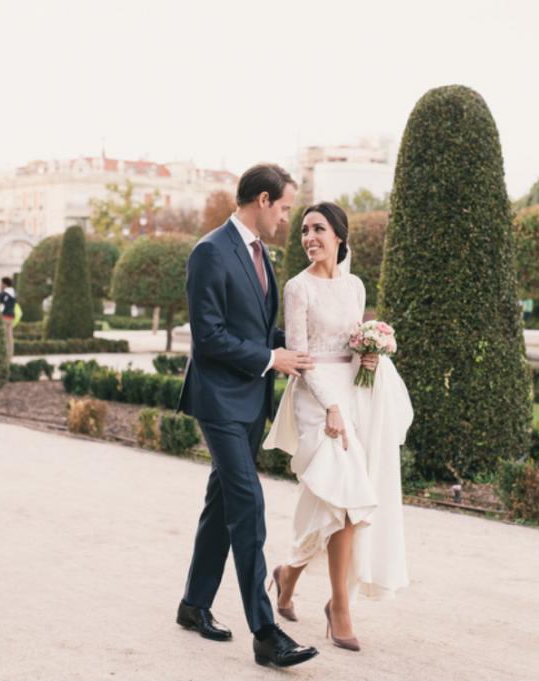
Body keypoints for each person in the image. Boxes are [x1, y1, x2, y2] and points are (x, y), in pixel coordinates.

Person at [176, 164, 319, 668]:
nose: (286, 219)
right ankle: (265, 632)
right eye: (284, 208)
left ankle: (193, 604)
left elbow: (259, 331)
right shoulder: (210, 252)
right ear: (262, 200)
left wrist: (312, 345)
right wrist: (269, 359)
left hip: (252, 401)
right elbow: (208, 337)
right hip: (218, 400)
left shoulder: (262, 255)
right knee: (248, 505)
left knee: (222, 505)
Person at [263, 202, 413, 652]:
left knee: (333, 500)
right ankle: (339, 606)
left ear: (339, 237)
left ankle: (288, 575)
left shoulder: (355, 286)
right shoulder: (297, 288)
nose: (309, 237)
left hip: (353, 395)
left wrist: (368, 356)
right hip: (315, 397)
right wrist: (329, 405)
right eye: (304, 230)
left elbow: (351, 345)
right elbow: (300, 357)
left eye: (319, 229)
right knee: (341, 496)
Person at [0, 277, 16, 358]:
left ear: (5, 284)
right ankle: (10, 354)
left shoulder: (3, 294)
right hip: (11, 317)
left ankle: (4, 355)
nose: (0, 285)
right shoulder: (13, 293)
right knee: (10, 337)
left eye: (1, 283)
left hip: (4, 316)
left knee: (3, 337)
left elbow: (0, 306)